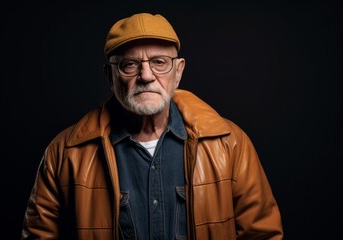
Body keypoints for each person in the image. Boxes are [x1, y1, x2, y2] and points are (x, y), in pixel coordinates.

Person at [21, 12, 283, 240]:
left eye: (159, 62)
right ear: (110, 76)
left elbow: (262, 234)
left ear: (178, 72)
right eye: (130, 64)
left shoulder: (231, 144)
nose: (146, 76)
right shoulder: (63, 154)